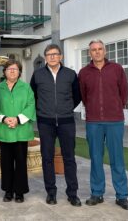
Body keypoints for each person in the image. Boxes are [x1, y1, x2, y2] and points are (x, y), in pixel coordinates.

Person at [79, 39, 128, 210]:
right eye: (93, 50)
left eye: (100, 49)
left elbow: (124, 92)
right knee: (95, 159)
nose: (97, 52)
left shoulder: (116, 69)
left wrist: (116, 107)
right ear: (90, 53)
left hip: (114, 121)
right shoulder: (84, 72)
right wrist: (94, 109)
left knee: (117, 159)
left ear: (105, 51)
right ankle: (97, 193)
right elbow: (83, 95)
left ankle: (122, 196)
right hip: (94, 122)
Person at [30, 44, 82, 207]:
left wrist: (65, 108)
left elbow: (77, 95)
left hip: (66, 121)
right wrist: (43, 110)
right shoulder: (37, 75)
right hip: (45, 122)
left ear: (61, 56)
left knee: (69, 158)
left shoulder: (70, 74)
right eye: (49, 54)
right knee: (47, 158)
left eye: (55, 54)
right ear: (45, 57)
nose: (52, 57)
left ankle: (72, 194)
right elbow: (33, 96)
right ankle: (51, 193)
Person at [0, 59, 36, 203]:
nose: (12, 71)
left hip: (21, 131)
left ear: (19, 72)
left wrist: (17, 119)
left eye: (15, 69)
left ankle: (20, 192)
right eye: (9, 68)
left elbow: (31, 105)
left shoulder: (26, 87)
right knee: (6, 163)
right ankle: (8, 191)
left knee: (21, 162)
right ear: (4, 71)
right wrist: (4, 118)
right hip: (4, 131)